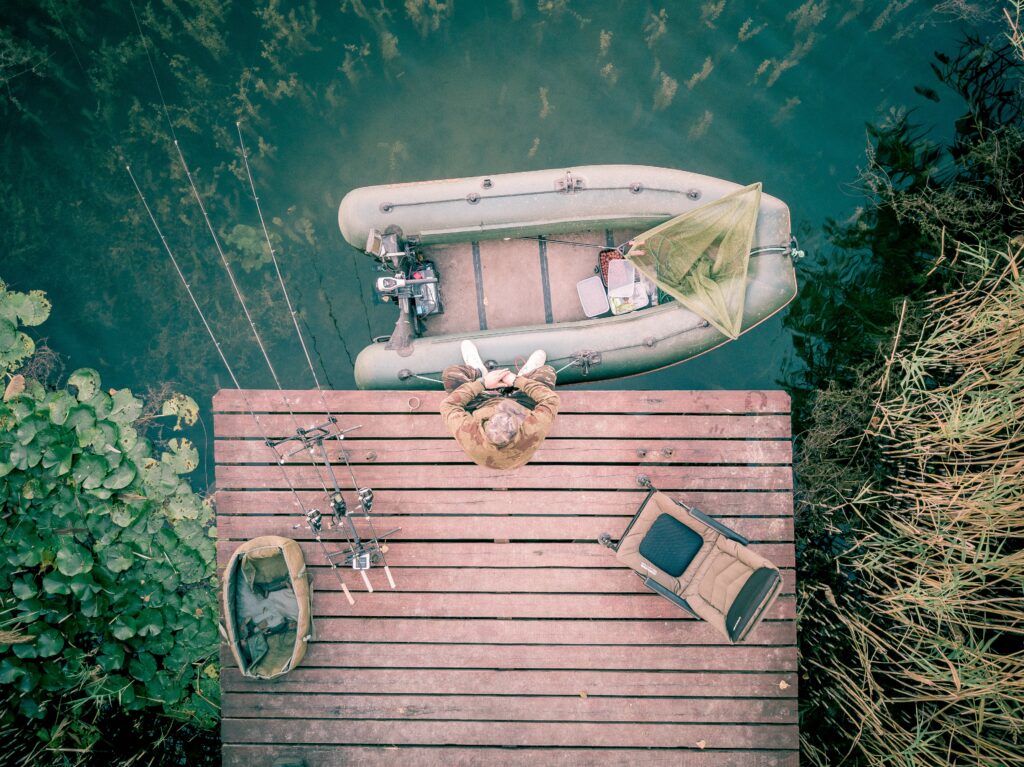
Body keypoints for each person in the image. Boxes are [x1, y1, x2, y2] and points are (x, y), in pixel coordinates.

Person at [440, 340, 560, 470]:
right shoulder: (532, 429)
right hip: (520, 404)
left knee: (451, 375)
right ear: (519, 428)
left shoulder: (469, 434)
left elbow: (447, 405)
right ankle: (523, 376)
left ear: (484, 427)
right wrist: (517, 380)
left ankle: (480, 372)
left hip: (481, 405)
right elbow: (551, 399)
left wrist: (483, 383)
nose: (501, 405)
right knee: (547, 373)